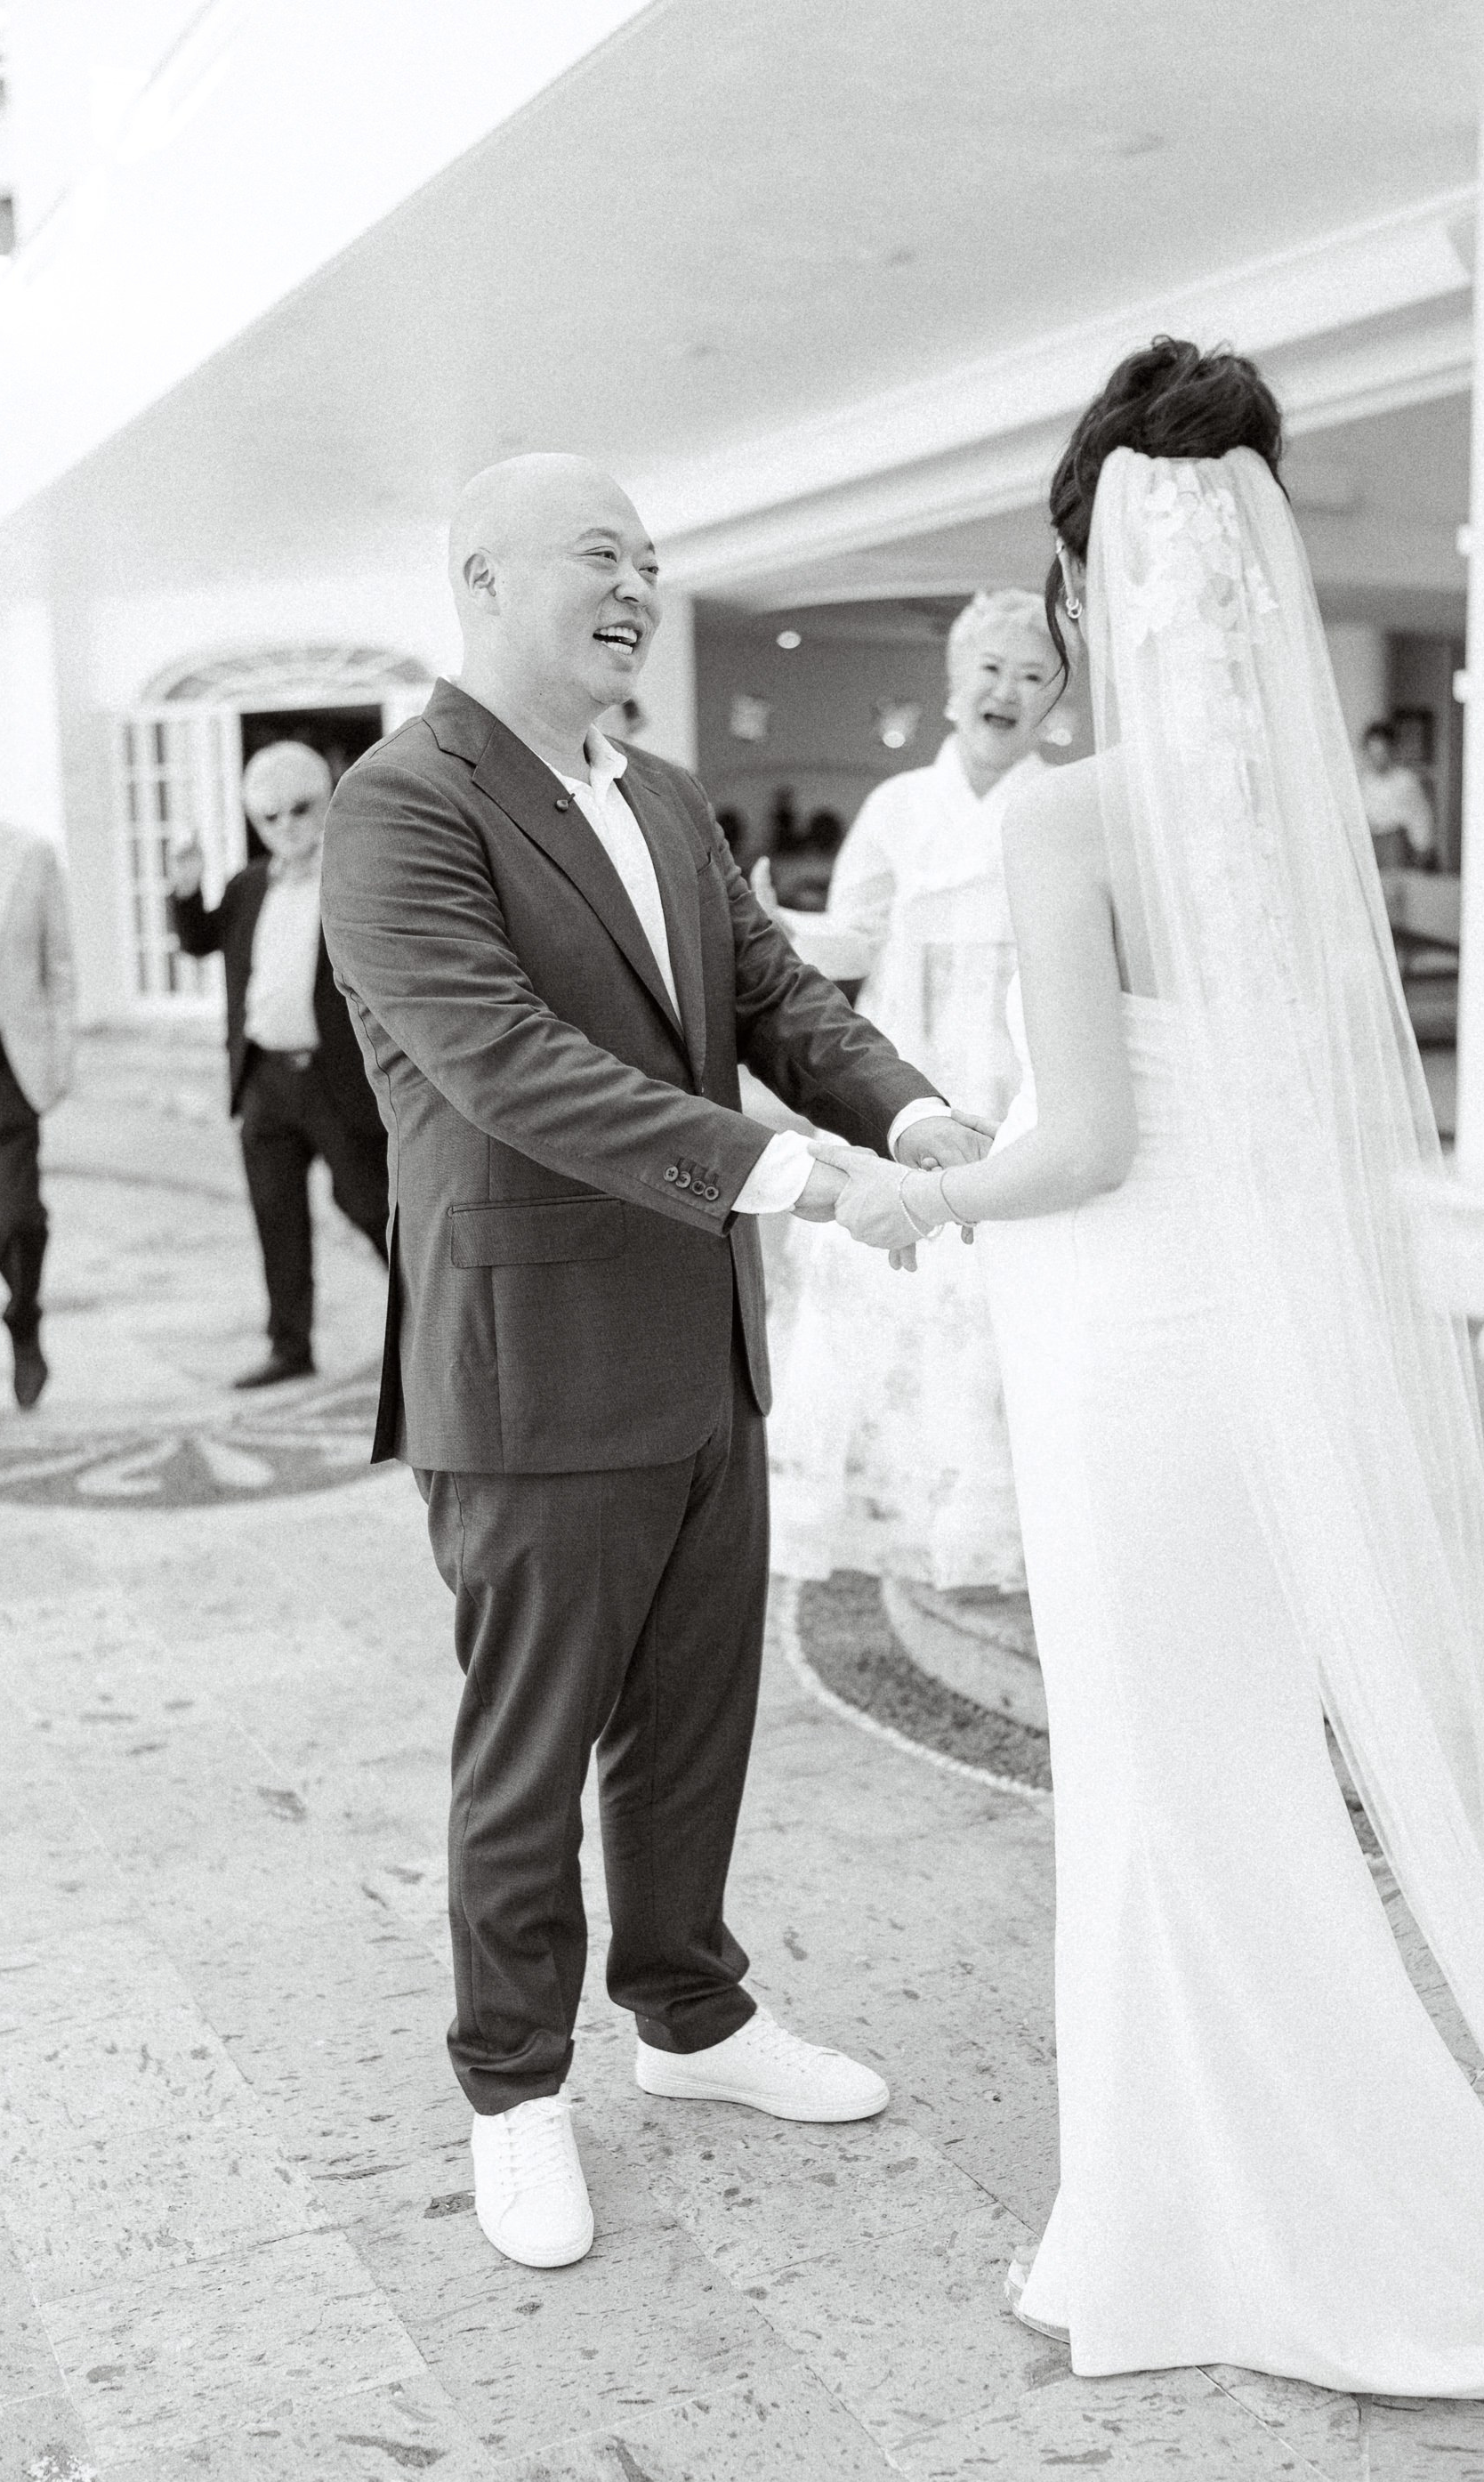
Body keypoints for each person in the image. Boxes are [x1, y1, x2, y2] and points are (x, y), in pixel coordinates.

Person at [831, 339, 1484, 2466]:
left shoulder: (1068, 814)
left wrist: (917, 1199)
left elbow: (1073, 1146)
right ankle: (1215, 2192)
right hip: (1236, 1361)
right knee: (1230, 1776)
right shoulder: (1281, 810)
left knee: (1167, 1792)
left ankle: (1209, 2228)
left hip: (1110, 1342)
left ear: (1083, 582)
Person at [319, 455, 988, 2276]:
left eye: (653, 562)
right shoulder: (401, 809)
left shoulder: (669, 796)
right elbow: (506, 1059)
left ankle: (690, 2016)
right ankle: (514, 2093)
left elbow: (773, 1000)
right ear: (480, 576)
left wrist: (910, 1115)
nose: (639, 586)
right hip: (528, 1365)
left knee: (694, 1724)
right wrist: (794, 1177)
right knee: (527, 1756)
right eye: (601, 556)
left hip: (703, 1356)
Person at [770, 589, 1061, 1590]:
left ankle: (994, 1517)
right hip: (903, 1076)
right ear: (950, 685)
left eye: (1032, 675)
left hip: (1012, 1075)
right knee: (881, 1284)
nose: (1006, 691)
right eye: (989, 670)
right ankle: (893, 1499)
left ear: (1055, 697)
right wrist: (777, 925)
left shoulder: (1055, 807)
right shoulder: (898, 807)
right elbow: (851, 939)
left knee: (997, 1293)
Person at [168, 744, 389, 1388]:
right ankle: (289, 1347)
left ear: (328, 803)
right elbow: (199, 940)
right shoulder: (247, 885)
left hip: (337, 1079)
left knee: (371, 1207)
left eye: (301, 809)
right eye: (270, 816)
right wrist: (186, 887)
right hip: (264, 1078)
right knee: (277, 1217)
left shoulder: (356, 877)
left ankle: (436, 1323)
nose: (287, 825)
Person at [0, 821, 76, 1410]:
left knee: (19, 1218)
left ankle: (24, 1320)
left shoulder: (31, 855)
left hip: (10, 1069)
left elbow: (60, 967)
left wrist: (59, 1059)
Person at [1359, 717, 1435, 870]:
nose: (1377, 758)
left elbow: (1420, 816)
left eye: (1381, 752)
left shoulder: (1406, 780)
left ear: (1390, 750)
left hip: (1396, 843)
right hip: (1369, 842)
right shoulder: (1363, 781)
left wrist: (1423, 849)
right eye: (1372, 752)